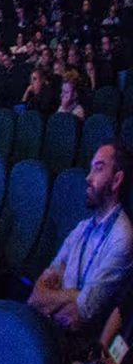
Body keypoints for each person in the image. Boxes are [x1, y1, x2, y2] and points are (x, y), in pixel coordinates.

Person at [28, 142, 133, 346]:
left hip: (73, 344)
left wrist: (51, 298)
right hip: (49, 329)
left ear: (116, 180)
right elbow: (37, 292)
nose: (88, 177)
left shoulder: (122, 238)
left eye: (98, 168)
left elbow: (79, 317)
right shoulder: (82, 227)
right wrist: (73, 295)